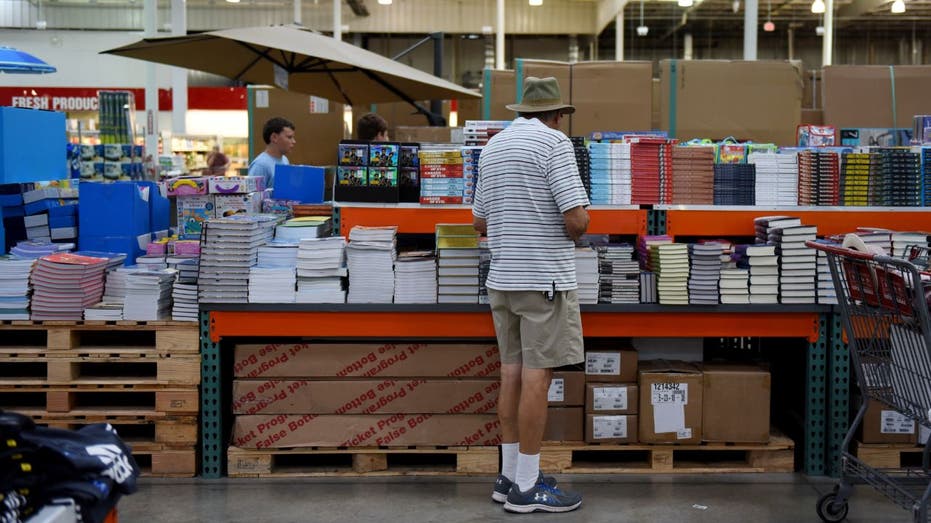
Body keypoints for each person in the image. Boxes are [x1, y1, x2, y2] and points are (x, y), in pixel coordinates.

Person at [472, 76, 590, 514]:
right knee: (538, 377)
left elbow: (479, 223)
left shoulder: (494, 147)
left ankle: (508, 477)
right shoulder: (554, 144)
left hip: (502, 278)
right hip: (544, 279)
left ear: (521, 110)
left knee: (512, 374)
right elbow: (576, 222)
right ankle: (527, 487)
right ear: (557, 115)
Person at [248, 117, 295, 188]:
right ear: (274, 137)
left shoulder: (285, 160)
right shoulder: (261, 165)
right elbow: (252, 196)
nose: (294, 141)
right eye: (289, 137)